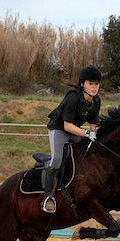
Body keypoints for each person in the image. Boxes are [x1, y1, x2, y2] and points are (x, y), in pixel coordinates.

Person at [41, 65, 102, 213]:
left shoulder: (96, 101)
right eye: (91, 83)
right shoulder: (72, 98)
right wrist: (87, 134)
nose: (94, 87)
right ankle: (48, 197)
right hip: (59, 129)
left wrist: (95, 135)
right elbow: (67, 126)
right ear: (82, 84)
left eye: (96, 84)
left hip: (76, 131)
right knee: (56, 160)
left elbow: (94, 125)